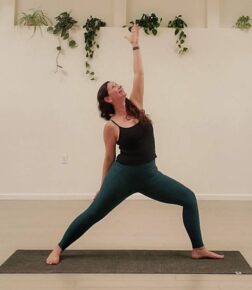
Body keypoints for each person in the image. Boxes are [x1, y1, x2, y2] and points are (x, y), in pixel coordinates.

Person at [46, 24, 224, 265]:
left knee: (189, 198)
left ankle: (198, 248)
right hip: (122, 176)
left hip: (150, 175)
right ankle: (58, 248)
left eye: (118, 84)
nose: (120, 86)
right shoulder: (111, 126)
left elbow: (139, 74)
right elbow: (108, 158)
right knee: (93, 213)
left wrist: (135, 44)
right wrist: (103, 186)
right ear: (108, 98)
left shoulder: (137, 105)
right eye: (114, 87)